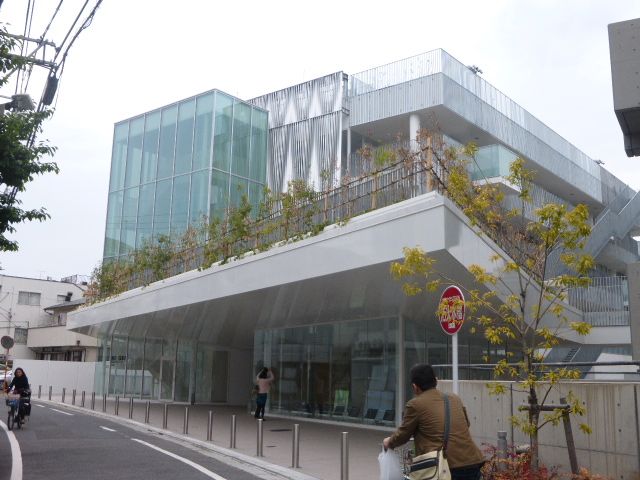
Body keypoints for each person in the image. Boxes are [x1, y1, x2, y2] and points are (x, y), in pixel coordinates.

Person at [383, 364, 484, 480]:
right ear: (436, 380)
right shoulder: (454, 398)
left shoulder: (415, 404)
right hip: (472, 463)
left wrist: (389, 442)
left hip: (445, 468)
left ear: (415, 387)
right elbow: (467, 424)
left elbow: (403, 435)